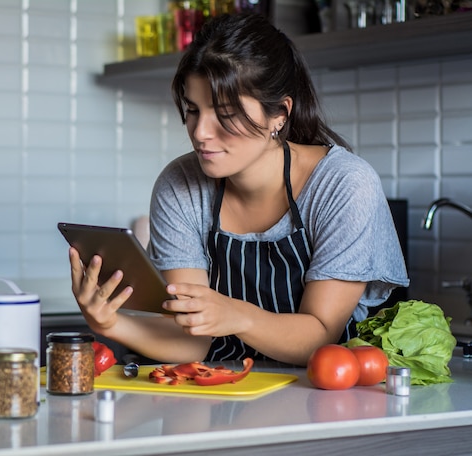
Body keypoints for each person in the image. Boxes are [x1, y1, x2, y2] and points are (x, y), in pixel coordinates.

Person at [68, 13, 409, 366]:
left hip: (323, 393)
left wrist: (236, 315)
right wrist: (111, 322)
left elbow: (320, 336)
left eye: (225, 114)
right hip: (223, 392)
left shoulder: (344, 185)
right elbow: (192, 343)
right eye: (192, 110)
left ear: (279, 114)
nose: (200, 132)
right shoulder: (180, 186)